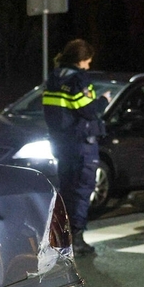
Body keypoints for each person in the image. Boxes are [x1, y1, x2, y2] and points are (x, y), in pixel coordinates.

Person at [43, 39, 111, 256]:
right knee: (81, 191)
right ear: (80, 60)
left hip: (62, 144)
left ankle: (59, 237)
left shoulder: (54, 78)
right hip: (81, 144)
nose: (88, 66)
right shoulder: (78, 79)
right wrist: (103, 100)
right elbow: (88, 110)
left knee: (65, 191)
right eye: (87, 62)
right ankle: (77, 239)